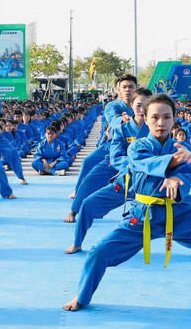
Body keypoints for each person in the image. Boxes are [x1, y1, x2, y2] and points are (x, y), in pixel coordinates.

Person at [63, 93, 191, 314]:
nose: (161, 122)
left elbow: (188, 174)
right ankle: (82, 297)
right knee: (98, 253)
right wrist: (172, 164)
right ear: (145, 118)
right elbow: (143, 163)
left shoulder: (184, 149)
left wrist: (177, 178)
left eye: (167, 117)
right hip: (141, 216)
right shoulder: (137, 147)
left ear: (174, 118)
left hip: (179, 215)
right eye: (155, 117)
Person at [65, 88, 152, 254]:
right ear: (131, 106)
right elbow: (116, 157)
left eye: (146, 105)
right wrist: (135, 165)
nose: (142, 109)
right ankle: (77, 243)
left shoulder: (156, 130)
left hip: (150, 188)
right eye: (138, 105)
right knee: (88, 204)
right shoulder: (122, 129)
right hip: (125, 182)